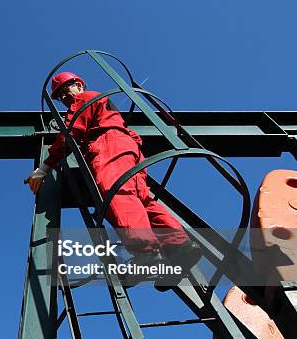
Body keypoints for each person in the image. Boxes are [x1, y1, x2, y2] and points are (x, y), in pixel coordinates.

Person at [25, 71, 201, 280]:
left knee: (116, 192)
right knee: (141, 199)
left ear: (78, 85)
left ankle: (145, 254)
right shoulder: (102, 104)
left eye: (65, 90)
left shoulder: (84, 99)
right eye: (60, 96)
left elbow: (70, 133)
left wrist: (45, 167)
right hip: (128, 147)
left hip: (108, 144)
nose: (65, 97)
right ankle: (179, 246)